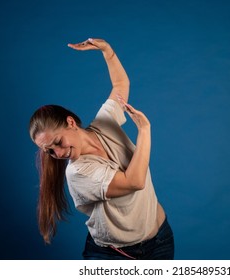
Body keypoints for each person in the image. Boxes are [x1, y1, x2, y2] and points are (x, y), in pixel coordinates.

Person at [29, 38, 174, 260]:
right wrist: (144, 130)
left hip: (161, 240)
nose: (57, 154)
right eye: (49, 151)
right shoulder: (77, 172)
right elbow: (134, 181)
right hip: (116, 255)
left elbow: (120, 86)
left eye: (57, 143)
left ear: (70, 122)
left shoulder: (105, 122)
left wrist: (107, 50)